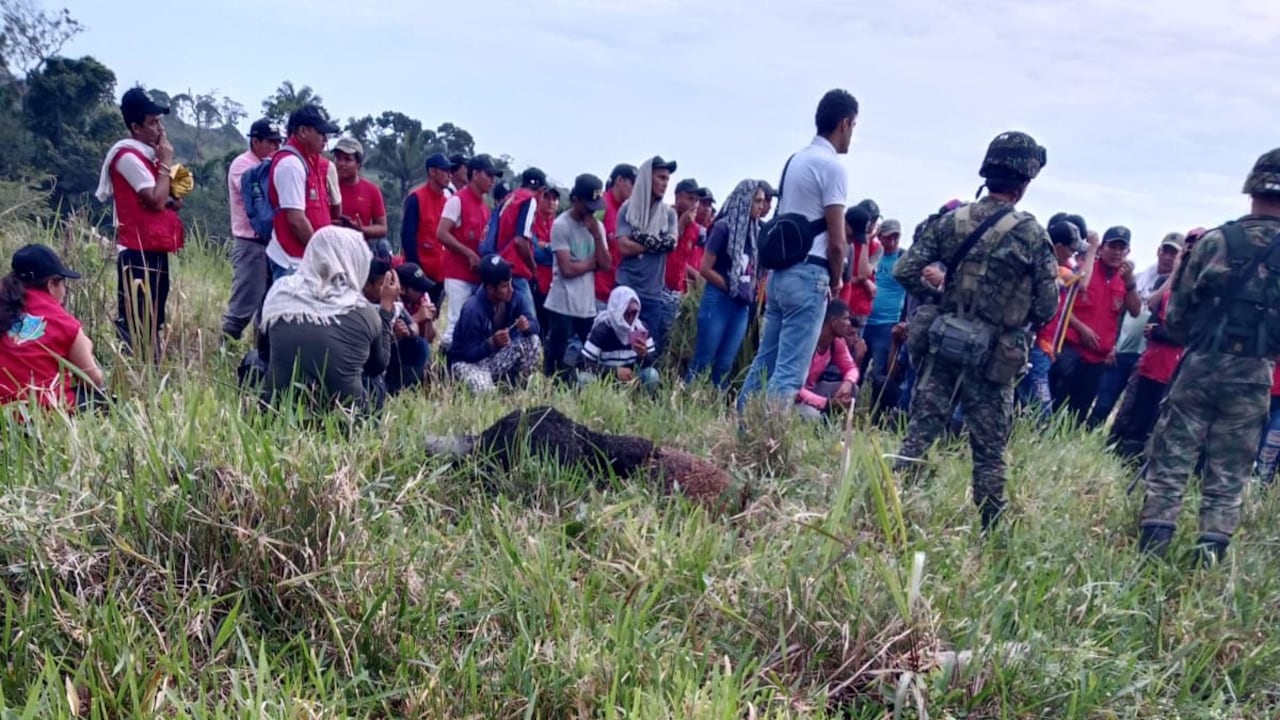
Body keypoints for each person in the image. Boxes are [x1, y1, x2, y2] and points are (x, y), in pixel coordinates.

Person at [892, 131, 1058, 532]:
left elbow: (905, 270)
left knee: (918, 435)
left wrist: (941, 299)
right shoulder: (1032, 234)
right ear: (1024, 183)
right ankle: (991, 535)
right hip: (993, 357)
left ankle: (889, 509)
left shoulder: (953, 220)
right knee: (989, 452)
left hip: (945, 343)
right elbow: (1047, 306)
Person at [1138, 148, 1280, 564]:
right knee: (1229, 471)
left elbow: (1177, 317)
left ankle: (1153, 551)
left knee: (1171, 460)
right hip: (1255, 373)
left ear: (1251, 187)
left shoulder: (1215, 241)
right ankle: (1208, 558)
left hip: (1199, 366)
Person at [738, 89, 857, 416]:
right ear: (844, 124)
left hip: (781, 275)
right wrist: (835, 281)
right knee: (789, 372)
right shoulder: (833, 168)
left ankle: (743, 426)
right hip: (811, 276)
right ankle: (765, 443)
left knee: (765, 361)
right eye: (853, 127)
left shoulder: (796, 160)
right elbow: (837, 241)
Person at [258, 226, 394, 415]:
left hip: (280, 411)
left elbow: (264, 352)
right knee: (375, 381)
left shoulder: (280, 293)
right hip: (344, 418)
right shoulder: (364, 311)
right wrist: (386, 309)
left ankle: (261, 409)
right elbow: (378, 365)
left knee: (254, 362)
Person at [95, 87, 184, 356]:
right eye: (152, 122)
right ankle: (133, 379)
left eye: (160, 121)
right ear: (135, 127)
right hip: (136, 251)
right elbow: (157, 200)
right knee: (136, 320)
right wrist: (166, 163)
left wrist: (165, 175)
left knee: (154, 320)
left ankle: (151, 380)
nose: (159, 129)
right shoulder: (128, 158)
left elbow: (174, 200)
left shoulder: (149, 158)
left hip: (154, 249)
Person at [1051, 226, 1142, 427]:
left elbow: (1135, 311)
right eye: (1112, 246)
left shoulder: (1124, 279)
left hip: (1098, 358)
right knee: (1055, 403)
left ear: (1127, 252)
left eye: (1122, 248)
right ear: (1102, 248)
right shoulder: (1087, 270)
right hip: (1071, 348)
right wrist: (1081, 328)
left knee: (1078, 414)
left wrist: (1131, 284)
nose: (1117, 252)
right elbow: (1061, 304)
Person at [1089, 232, 1182, 427]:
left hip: (1147, 357)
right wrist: (1112, 344)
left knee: (1130, 410)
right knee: (1103, 404)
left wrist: (1175, 276)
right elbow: (1121, 312)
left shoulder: (1180, 289)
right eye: (1165, 251)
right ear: (1158, 251)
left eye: (1174, 254)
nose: (1168, 257)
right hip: (1122, 351)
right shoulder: (1137, 277)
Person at [0, 245, 105, 412]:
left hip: (4, 413)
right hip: (42, 412)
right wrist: (87, 346)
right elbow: (93, 380)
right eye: (64, 284)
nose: (64, 292)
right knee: (103, 401)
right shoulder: (62, 321)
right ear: (51, 284)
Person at [686, 180, 766, 389]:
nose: (761, 206)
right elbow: (705, 269)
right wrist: (731, 286)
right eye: (757, 201)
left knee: (725, 364)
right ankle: (687, 403)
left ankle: (715, 408)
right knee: (703, 359)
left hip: (740, 305)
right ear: (744, 201)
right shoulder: (723, 227)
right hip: (719, 299)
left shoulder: (756, 231)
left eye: (762, 201)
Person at [1016, 217, 1097, 417]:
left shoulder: (1054, 267)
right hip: (1035, 346)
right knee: (1042, 411)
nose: (1073, 254)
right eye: (1071, 249)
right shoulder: (1055, 270)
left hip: (1041, 346)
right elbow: (1084, 282)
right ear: (1058, 247)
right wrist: (1093, 249)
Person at [543, 174, 611, 382]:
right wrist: (592, 264)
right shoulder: (561, 225)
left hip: (586, 304)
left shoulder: (597, 227)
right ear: (575, 200)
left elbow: (607, 264)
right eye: (587, 205)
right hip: (562, 303)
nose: (591, 210)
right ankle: (550, 389)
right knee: (556, 354)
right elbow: (566, 269)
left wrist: (597, 236)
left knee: (590, 351)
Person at [221, 119, 283, 341]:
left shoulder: (269, 165)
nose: (276, 148)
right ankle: (222, 353)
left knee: (268, 309)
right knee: (242, 307)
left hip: (269, 244)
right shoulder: (243, 165)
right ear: (255, 141)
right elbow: (259, 198)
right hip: (250, 244)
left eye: (279, 143)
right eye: (271, 142)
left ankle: (260, 361)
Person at [264, 105, 340, 279]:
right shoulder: (291, 164)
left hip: (303, 260)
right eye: (320, 133)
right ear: (303, 131)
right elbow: (296, 221)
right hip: (292, 262)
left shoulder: (307, 161)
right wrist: (322, 253)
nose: (325, 139)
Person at [448, 255, 542, 394]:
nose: (510, 288)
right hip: (468, 364)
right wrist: (491, 343)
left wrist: (527, 326)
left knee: (533, 341)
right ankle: (488, 385)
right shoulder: (473, 309)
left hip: (495, 359)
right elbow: (467, 354)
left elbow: (536, 326)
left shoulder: (513, 296)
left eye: (510, 282)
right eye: (505, 286)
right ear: (490, 289)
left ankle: (516, 387)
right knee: (486, 391)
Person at [616, 156, 680, 358]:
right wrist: (655, 243)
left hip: (652, 292)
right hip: (627, 286)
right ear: (647, 178)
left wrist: (640, 239)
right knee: (620, 345)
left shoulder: (669, 214)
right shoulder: (628, 209)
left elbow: (671, 243)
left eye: (667, 179)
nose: (664, 183)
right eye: (660, 177)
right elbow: (624, 246)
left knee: (649, 351)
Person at [438, 154, 500, 348]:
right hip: (458, 273)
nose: (492, 181)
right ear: (475, 174)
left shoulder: (484, 207)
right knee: (456, 321)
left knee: (472, 323)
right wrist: (468, 253)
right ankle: (444, 365)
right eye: (489, 175)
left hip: (476, 275)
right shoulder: (457, 201)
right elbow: (441, 233)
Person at [581, 286, 660, 393]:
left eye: (634, 313)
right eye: (627, 313)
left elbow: (655, 362)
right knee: (585, 378)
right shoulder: (603, 330)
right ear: (617, 310)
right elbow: (584, 363)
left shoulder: (641, 329)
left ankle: (643, 402)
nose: (631, 318)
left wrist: (644, 354)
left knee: (651, 374)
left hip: (631, 379)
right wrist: (614, 371)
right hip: (604, 379)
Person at [400, 153, 452, 308]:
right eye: (445, 170)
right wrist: (416, 272)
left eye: (450, 171)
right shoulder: (416, 198)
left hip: (440, 276)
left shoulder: (447, 202)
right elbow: (408, 237)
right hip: (420, 274)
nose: (449, 175)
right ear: (432, 172)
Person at [496, 167, 549, 312]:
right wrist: (533, 268)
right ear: (540, 189)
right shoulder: (529, 200)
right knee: (529, 324)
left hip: (500, 263)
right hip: (516, 268)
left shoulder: (511, 197)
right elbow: (520, 240)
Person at [797, 300, 861, 420]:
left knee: (852, 389)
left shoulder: (836, 343)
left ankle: (836, 425)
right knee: (813, 417)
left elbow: (851, 368)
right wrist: (826, 403)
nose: (849, 323)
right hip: (794, 396)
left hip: (813, 390)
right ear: (834, 321)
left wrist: (848, 382)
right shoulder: (807, 342)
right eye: (846, 318)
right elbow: (793, 387)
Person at [863, 218, 906, 383]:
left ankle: (875, 407)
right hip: (863, 321)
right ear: (879, 237)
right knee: (856, 369)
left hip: (887, 324)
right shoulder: (871, 254)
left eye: (896, 237)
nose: (893, 241)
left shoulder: (903, 259)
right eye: (888, 237)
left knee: (880, 375)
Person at [332, 137, 390, 260]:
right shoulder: (327, 186)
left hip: (359, 255)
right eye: (338, 158)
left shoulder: (372, 190)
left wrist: (360, 229)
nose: (341, 163)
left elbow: (382, 228)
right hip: (331, 251)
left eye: (347, 159)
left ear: (358, 164)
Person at [385, 263, 436, 395]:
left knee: (422, 346)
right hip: (390, 350)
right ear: (402, 289)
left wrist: (428, 319)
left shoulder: (422, 298)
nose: (423, 292)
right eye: (418, 289)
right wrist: (417, 317)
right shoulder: (392, 298)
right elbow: (388, 332)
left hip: (410, 348)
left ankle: (418, 384)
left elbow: (429, 338)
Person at [594, 163, 637, 307]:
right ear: (620, 181)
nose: (636, 190)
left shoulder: (628, 213)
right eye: (633, 183)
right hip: (596, 292)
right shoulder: (600, 206)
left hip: (617, 294)